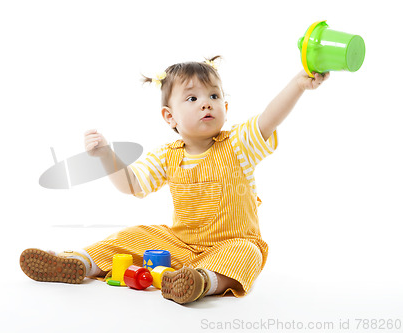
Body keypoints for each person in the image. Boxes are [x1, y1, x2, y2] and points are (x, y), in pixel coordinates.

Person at [20, 56, 329, 304]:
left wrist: (298, 85)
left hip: (230, 243)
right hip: (180, 243)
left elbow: (268, 118)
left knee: (247, 254)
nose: (206, 103)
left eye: (213, 96)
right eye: (192, 98)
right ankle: (77, 262)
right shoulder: (168, 156)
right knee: (134, 235)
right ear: (170, 117)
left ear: (226, 106)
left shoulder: (238, 144)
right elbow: (132, 185)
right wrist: (105, 155)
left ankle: (200, 282)